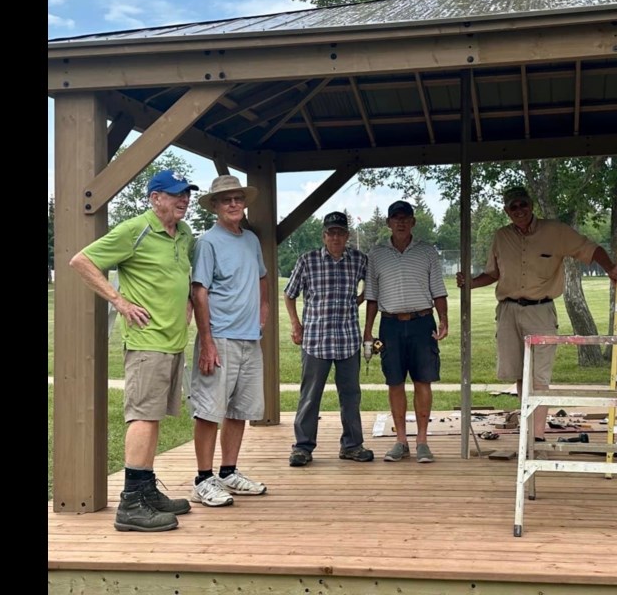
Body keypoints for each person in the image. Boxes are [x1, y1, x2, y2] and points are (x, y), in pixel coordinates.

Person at [68, 169, 199, 533]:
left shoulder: (185, 234)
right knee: (142, 416)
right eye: (175, 194)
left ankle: (146, 491)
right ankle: (131, 505)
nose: (183, 199)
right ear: (155, 198)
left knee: (153, 416)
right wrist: (119, 301)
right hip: (146, 342)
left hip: (172, 341)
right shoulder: (135, 229)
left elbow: (182, 277)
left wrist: (187, 303)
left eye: (186, 194)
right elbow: (81, 261)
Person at [456, 185, 617, 442]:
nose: (519, 210)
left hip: (541, 311)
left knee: (539, 376)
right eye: (513, 206)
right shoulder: (501, 236)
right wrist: (469, 281)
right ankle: (526, 431)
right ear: (506, 210)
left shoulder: (556, 231)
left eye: (523, 204)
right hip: (508, 311)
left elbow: (591, 249)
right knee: (519, 374)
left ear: (531, 204)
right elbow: (493, 274)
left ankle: (536, 437)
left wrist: (611, 267)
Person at [187, 174, 270, 508]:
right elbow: (199, 291)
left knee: (239, 409)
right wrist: (206, 341)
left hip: (250, 338)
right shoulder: (207, 242)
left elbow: (262, 276)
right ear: (216, 207)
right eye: (226, 200)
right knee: (209, 411)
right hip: (219, 338)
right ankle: (203, 479)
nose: (233, 204)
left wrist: (263, 307)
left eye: (237, 198)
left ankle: (228, 472)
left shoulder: (250, 240)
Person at [284, 211, 374, 467]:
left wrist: (360, 298)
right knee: (310, 396)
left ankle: (352, 445)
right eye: (331, 232)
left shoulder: (359, 260)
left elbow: (373, 286)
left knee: (351, 396)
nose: (336, 237)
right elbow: (289, 294)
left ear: (347, 236)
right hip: (315, 339)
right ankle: (302, 447)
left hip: (347, 339)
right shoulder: (307, 261)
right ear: (324, 235)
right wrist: (295, 324)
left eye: (340, 232)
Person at [363, 200, 449, 463]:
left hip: (422, 322)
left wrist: (443, 319)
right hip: (389, 324)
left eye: (405, 217)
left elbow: (439, 291)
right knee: (394, 382)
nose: (400, 222)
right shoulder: (376, 255)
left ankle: (422, 441)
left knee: (423, 380)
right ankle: (401, 441)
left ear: (413, 221)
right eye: (395, 218)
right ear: (388, 222)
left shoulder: (427, 252)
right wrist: (368, 332)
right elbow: (372, 297)